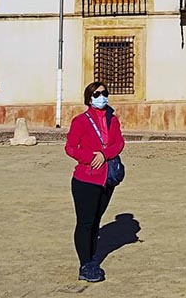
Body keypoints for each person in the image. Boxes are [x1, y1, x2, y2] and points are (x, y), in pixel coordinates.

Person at [64, 81, 125, 283]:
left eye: (104, 93)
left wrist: (104, 154)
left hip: (107, 179)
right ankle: (85, 264)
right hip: (86, 179)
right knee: (86, 222)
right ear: (89, 99)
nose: (102, 96)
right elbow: (70, 147)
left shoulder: (112, 120)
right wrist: (90, 157)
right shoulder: (80, 121)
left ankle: (91, 259)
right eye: (97, 94)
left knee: (96, 220)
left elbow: (119, 143)